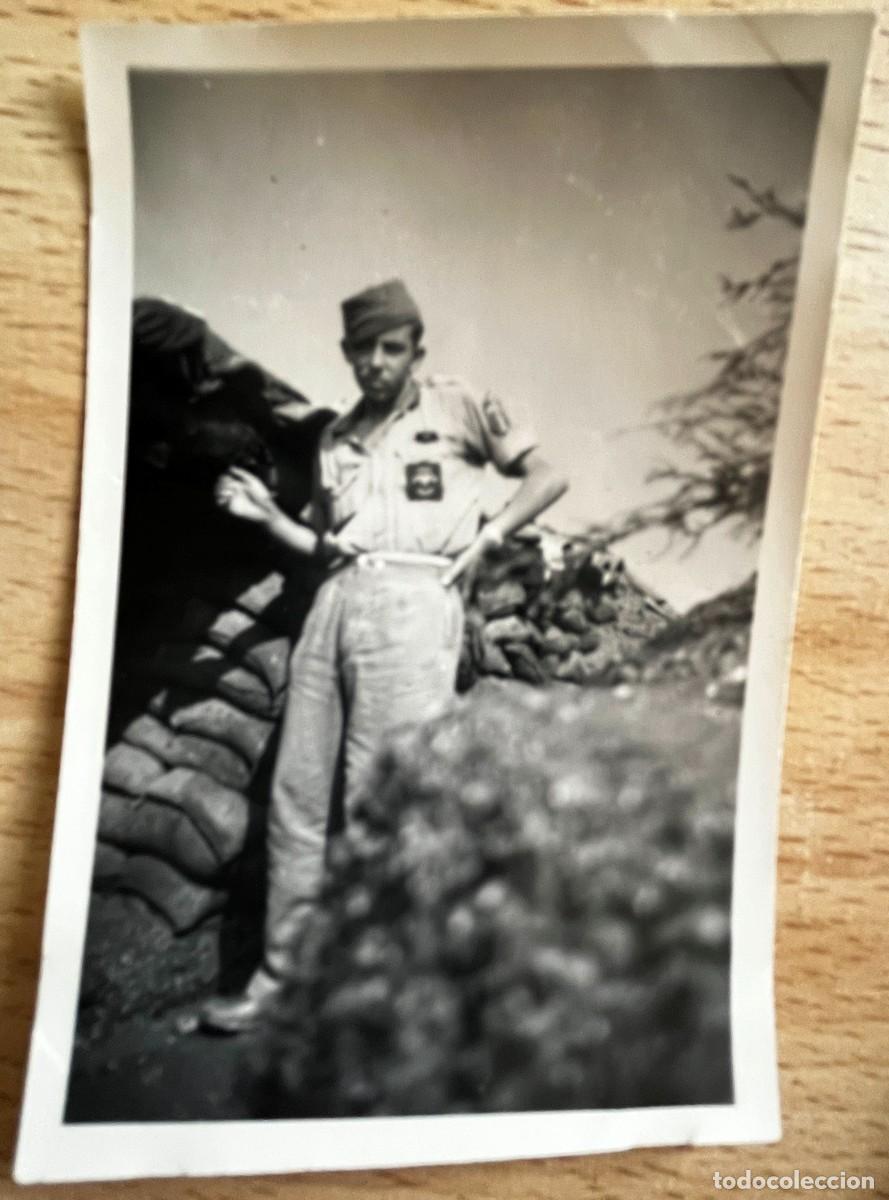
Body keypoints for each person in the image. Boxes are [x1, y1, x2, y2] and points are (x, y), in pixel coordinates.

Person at [201, 279, 568, 1032]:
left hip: (414, 600)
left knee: (385, 798)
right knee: (299, 797)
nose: (375, 362)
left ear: (414, 351)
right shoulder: (336, 436)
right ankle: (283, 982)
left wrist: (489, 538)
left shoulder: (457, 403)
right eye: (362, 349)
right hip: (335, 600)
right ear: (345, 355)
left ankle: (391, 1003)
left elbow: (547, 474)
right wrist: (266, 516)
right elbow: (322, 545)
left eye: (391, 348)